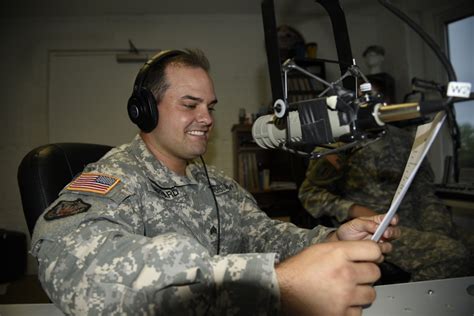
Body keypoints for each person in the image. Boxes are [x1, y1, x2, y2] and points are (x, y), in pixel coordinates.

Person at [31, 49, 399, 315]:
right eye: (190, 105)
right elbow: (66, 259)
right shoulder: (113, 177)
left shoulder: (217, 184)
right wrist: (272, 286)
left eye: (211, 106)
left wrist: (330, 239)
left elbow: (267, 236)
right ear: (143, 110)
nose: (206, 118)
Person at [299, 124, 471, 282]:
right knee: (453, 254)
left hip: (415, 220)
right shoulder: (338, 143)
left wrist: (438, 230)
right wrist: (353, 209)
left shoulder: (406, 139)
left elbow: (424, 192)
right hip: (374, 229)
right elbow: (310, 194)